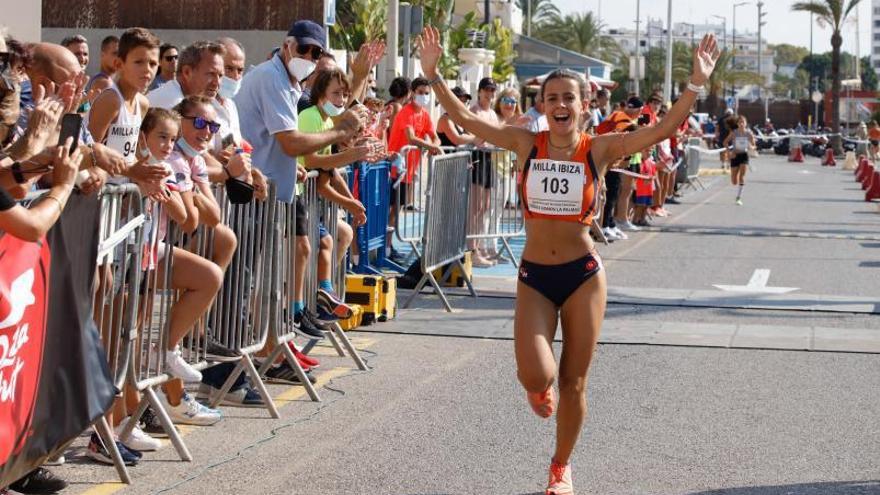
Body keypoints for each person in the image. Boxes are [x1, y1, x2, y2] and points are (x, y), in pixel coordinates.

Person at [417, 25, 719, 495]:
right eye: (552, 97)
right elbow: (470, 122)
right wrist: (433, 76)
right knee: (537, 373)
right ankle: (540, 387)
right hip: (536, 276)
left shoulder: (598, 148)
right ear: (542, 105)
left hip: (583, 275)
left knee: (575, 382)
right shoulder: (524, 143)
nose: (560, 105)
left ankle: (560, 467)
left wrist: (695, 83)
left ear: (583, 106)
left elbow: (662, 128)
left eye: (569, 99)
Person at [235, 19, 372, 341]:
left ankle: (271, 346)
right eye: (304, 49)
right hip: (253, 195)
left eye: (316, 52)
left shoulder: (289, 83)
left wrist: (361, 79)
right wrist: (342, 132)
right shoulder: (273, 79)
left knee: (265, 282)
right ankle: (241, 358)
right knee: (248, 286)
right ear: (287, 45)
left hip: (271, 195)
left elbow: (338, 118)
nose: (309, 56)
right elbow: (296, 145)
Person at [723, 114, 755, 205]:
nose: (741, 124)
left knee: (742, 176)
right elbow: (725, 142)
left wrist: (751, 147)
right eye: (740, 122)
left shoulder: (749, 133)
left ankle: (738, 197)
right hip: (735, 156)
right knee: (734, 181)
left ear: (746, 123)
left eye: (743, 122)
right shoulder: (734, 133)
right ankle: (735, 178)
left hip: (744, 155)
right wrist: (729, 152)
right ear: (737, 123)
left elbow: (754, 145)